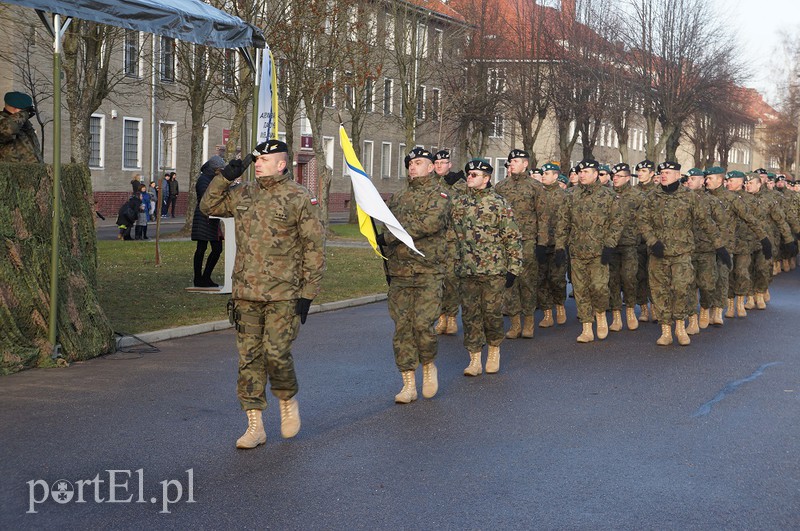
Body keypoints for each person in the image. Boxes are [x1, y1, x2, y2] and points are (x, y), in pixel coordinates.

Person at [200, 139, 325, 449]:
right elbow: (207, 206)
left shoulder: (299, 197)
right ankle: (254, 425)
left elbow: (313, 247)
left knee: (276, 354)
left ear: (281, 164)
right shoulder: (242, 193)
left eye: (265, 160)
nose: (257, 164)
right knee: (249, 359)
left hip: (284, 293)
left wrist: (308, 292)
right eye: (256, 159)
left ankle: (287, 399)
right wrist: (225, 177)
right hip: (246, 292)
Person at [377, 147, 450, 404]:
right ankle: (408, 383)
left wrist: (389, 236)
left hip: (428, 270)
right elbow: (386, 223)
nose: (412, 166)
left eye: (418, 162)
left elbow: (429, 224)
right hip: (400, 272)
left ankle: (428, 365)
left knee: (422, 325)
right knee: (402, 329)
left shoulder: (440, 195)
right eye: (410, 162)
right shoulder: (398, 197)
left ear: (431, 167)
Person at [639, 162, 729, 346]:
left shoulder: (689, 196)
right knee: (660, 292)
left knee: (682, 289)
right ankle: (666, 330)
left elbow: (706, 222)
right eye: (662, 172)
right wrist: (652, 241)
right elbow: (642, 221)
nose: (664, 175)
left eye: (668, 172)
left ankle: (680, 326)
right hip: (658, 254)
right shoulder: (652, 196)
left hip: (681, 253)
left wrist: (720, 246)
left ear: (678, 175)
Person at [451, 159, 522, 376]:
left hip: (493, 269)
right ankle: (474, 359)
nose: (469, 177)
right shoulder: (459, 202)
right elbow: (451, 234)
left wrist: (513, 268)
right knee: (470, 315)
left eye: (474, 175)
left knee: (491, 314)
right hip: (467, 269)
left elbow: (512, 236)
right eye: (468, 174)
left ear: (486, 178)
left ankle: (493, 350)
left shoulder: (498, 203)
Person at [554, 159, 623, 343]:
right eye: (580, 172)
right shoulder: (571, 195)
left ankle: (600, 315)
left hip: (599, 252)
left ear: (595, 174)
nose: (582, 175)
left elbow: (617, 223)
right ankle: (586, 326)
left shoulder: (608, 196)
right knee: (580, 289)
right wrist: (560, 246)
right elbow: (563, 223)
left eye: (586, 172)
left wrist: (610, 245)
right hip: (577, 251)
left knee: (599, 288)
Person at [495, 149, 543, 339]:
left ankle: (529, 322)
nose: (512, 164)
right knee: (509, 283)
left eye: (516, 161)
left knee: (527, 282)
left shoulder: (535, 187)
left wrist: (542, 243)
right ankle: (515, 323)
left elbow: (543, 216)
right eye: (510, 161)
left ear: (525, 164)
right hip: (506, 241)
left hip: (527, 240)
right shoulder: (501, 187)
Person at [432, 149, 465, 336]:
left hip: (453, 239)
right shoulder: (429, 184)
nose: (439, 166)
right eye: (436, 163)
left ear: (450, 165)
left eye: (443, 163)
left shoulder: (458, 184)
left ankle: (452, 317)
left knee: (451, 279)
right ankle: (441, 317)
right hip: (433, 239)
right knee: (436, 280)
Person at [608, 162, 644, 331]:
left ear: (628, 178)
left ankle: (630, 310)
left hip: (630, 244)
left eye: (619, 176)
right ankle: (616, 315)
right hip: (610, 245)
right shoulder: (607, 195)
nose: (615, 179)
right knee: (613, 279)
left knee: (629, 278)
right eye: (613, 176)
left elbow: (645, 219)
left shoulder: (637, 196)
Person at [535, 162, 568, 327]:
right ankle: (547, 313)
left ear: (555, 176)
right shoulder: (538, 194)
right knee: (541, 279)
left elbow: (565, 222)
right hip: (541, 243)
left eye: (547, 174)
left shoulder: (564, 196)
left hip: (557, 244)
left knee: (557, 279)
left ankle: (560, 306)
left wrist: (561, 245)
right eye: (543, 173)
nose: (543, 176)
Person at [192, 156, 226, 287]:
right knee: (201, 248)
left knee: (216, 249)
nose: (220, 172)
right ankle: (198, 278)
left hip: (211, 218)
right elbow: (206, 198)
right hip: (203, 217)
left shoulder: (211, 179)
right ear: (213, 169)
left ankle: (205, 277)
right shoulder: (203, 180)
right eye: (219, 170)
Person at [634, 159, 656, 322]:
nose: (640, 174)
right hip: (637, 241)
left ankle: (655, 307)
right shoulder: (633, 192)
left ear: (652, 173)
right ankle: (643, 308)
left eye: (643, 171)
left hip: (653, 241)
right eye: (639, 171)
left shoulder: (657, 192)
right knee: (639, 276)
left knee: (654, 277)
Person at [0, 91, 43, 163]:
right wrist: (24, 114)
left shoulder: (24, 124)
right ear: (15, 109)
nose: (28, 113)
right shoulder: (3, 121)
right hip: (12, 170)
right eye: (26, 110)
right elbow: (7, 131)